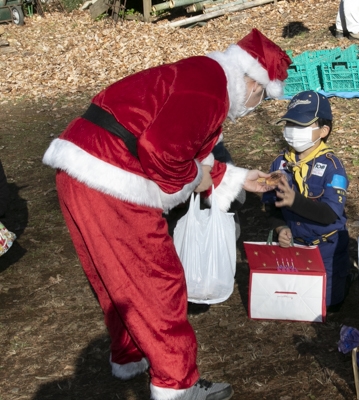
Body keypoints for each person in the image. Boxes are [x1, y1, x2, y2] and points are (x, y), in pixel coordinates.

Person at [42, 29, 292, 400]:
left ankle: (130, 354)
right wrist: (195, 178)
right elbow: (164, 153)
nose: (258, 103)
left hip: (79, 168)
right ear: (254, 81)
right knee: (160, 282)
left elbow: (184, 143)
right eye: (264, 96)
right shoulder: (212, 92)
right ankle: (177, 385)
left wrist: (237, 179)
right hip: (114, 182)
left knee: (114, 276)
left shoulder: (204, 74)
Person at [262, 91, 351, 312]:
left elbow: (331, 213)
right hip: (295, 245)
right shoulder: (280, 163)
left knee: (328, 306)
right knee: (295, 299)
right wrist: (280, 226)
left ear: (323, 131)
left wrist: (295, 202)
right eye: (289, 123)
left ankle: (345, 277)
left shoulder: (332, 166)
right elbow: (270, 204)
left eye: (301, 125)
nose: (292, 131)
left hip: (326, 247)